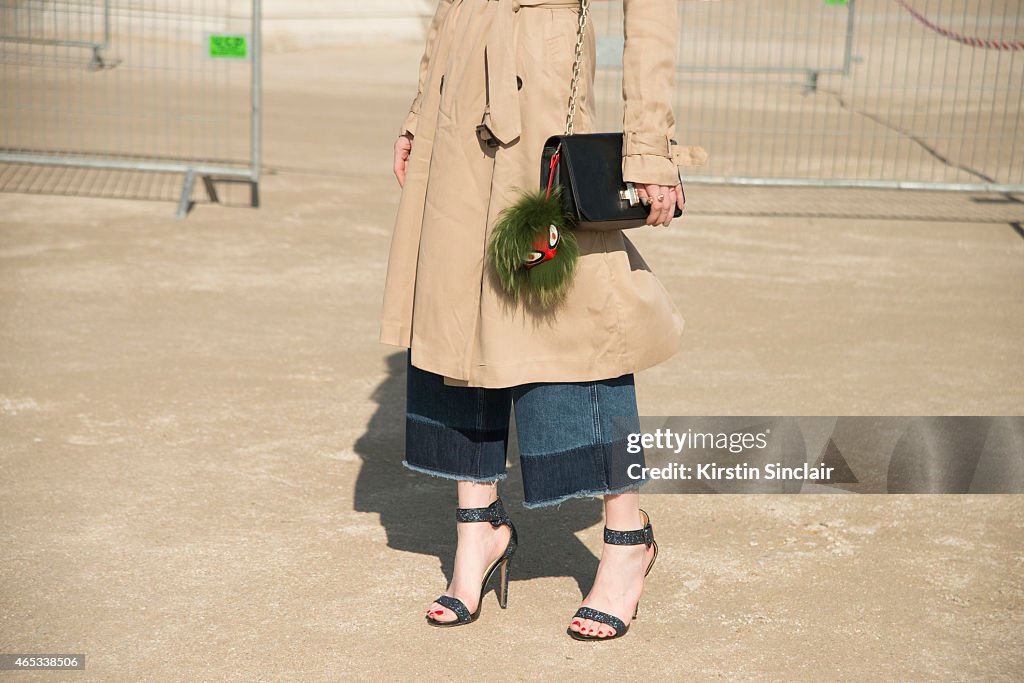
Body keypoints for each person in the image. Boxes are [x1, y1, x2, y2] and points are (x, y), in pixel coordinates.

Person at [382, 0, 691, 641]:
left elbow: (653, 14)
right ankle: (479, 530)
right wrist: (419, 113)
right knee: (455, 314)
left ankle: (627, 540)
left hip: (541, 90)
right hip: (456, 85)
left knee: (576, 322)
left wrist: (650, 148)